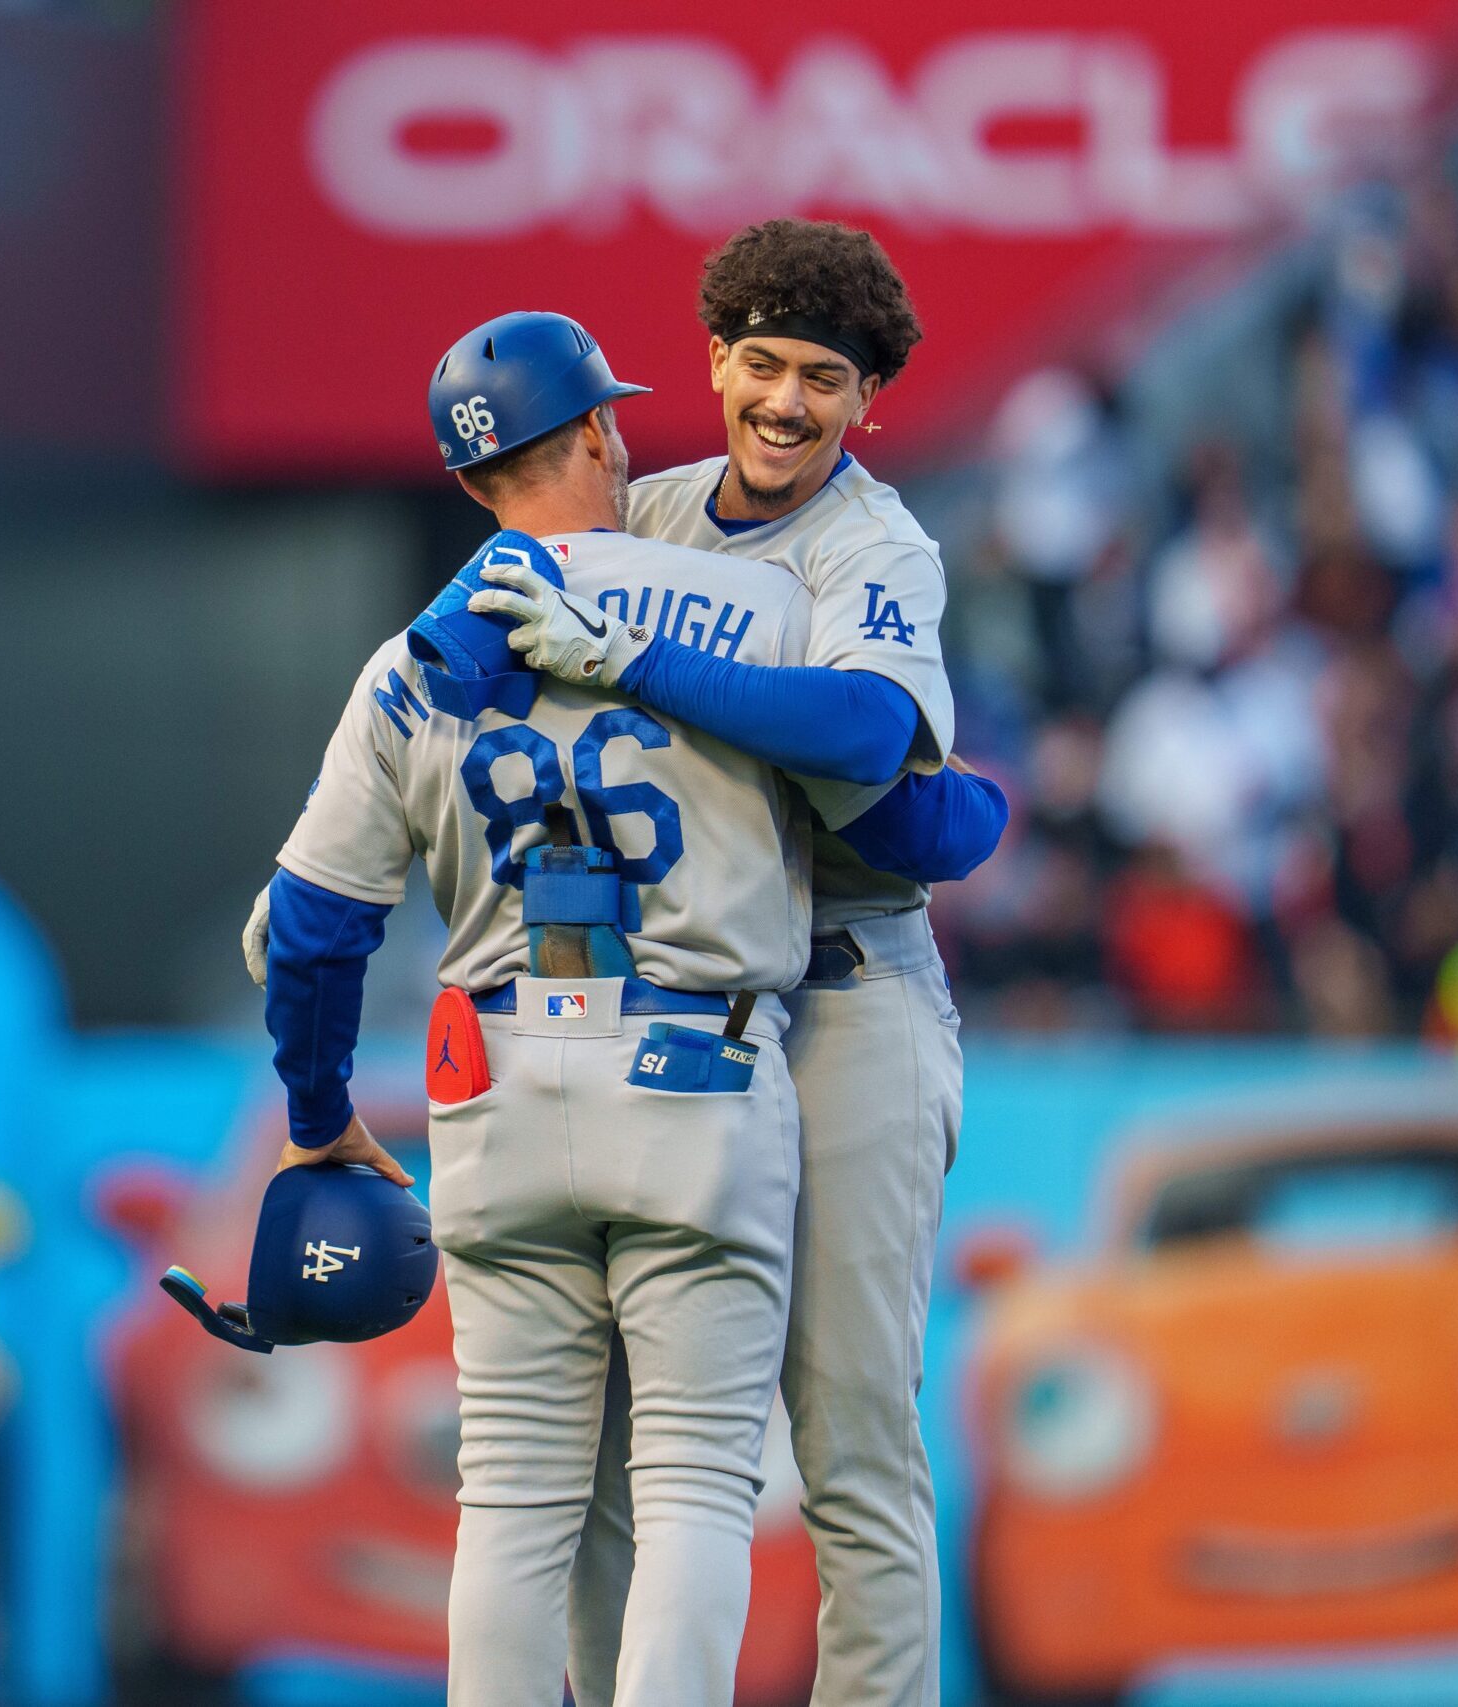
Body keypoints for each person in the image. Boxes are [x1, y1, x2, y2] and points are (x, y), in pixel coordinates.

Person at [255, 311, 817, 1706]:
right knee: (692, 1485)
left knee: (512, 1498)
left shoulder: (408, 664)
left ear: (467, 480)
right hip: (700, 1061)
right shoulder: (752, 609)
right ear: (593, 436)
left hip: (497, 1078)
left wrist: (321, 1118)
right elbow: (900, 811)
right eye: (608, 425)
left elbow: (314, 933)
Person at [475, 219, 982, 1707]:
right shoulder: (655, 511)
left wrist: (632, 664)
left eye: (824, 378)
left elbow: (862, 739)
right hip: (659, 1006)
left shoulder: (876, 545)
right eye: (760, 363)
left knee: (849, 1431)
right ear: (712, 360)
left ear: (867, 399)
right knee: (615, 1437)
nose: (784, 403)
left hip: (845, 994)